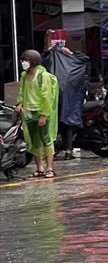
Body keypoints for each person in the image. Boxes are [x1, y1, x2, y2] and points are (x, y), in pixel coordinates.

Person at [42, 41, 89, 160]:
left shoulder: (49, 60)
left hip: (54, 99)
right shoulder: (73, 61)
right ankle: (68, 152)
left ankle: (51, 153)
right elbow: (84, 58)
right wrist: (71, 53)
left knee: (53, 126)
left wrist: (48, 50)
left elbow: (40, 60)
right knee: (67, 126)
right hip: (69, 101)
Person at [16, 50, 59, 178]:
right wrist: (20, 104)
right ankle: (39, 168)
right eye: (22, 60)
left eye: (26, 60)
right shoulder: (24, 76)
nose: (23, 63)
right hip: (28, 113)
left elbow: (47, 97)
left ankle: (49, 168)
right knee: (34, 142)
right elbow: (21, 92)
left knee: (46, 140)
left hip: (41, 112)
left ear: (33, 61)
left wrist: (44, 115)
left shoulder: (43, 76)